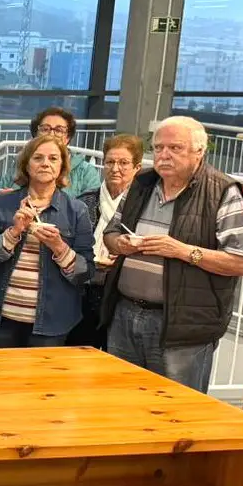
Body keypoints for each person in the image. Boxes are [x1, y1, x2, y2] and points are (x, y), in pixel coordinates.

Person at [103, 116, 243, 392]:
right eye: (159, 147)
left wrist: (182, 251)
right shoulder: (141, 183)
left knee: (176, 412)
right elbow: (111, 233)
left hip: (182, 327)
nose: (164, 155)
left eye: (175, 148)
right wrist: (120, 243)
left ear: (199, 151)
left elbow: (242, 263)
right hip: (125, 314)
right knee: (120, 404)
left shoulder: (221, 191)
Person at [0, 135, 94, 348]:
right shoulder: (3, 203)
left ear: (62, 167)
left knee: (42, 380)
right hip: (0, 318)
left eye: (53, 158)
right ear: (26, 165)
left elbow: (86, 272)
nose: (45, 163)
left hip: (51, 322)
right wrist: (13, 232)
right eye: (38, 158)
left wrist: (59, 247)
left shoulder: (77, 210)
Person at [69, 134, 145, 348]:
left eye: (123, 163)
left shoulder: (142, 206)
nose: (115, 168)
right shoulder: (84, 201)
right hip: (83, 286)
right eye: (110, 162)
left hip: (120, 292)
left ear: (137, 167)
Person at [0, 107, 102, 198]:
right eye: (45, 129)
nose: (51, 134)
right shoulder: (21, 162)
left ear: (68, 137)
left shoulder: (86, 172)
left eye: (59, 130)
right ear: (36, 134)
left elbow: (90, 209)